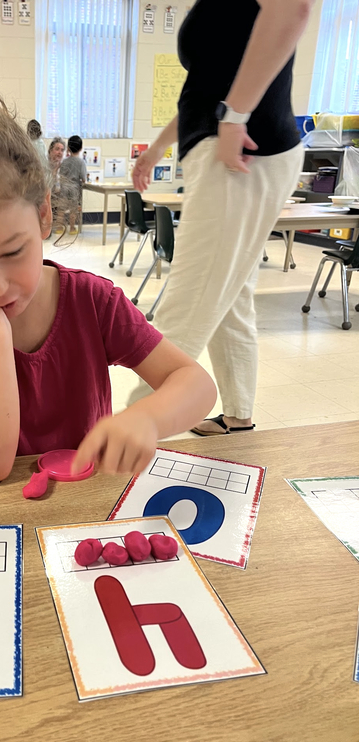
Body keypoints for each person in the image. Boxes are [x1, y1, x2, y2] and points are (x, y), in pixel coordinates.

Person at [0, 35, 216, 482]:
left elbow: (197, 384)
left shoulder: (92, 301)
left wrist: (147, 418)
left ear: (44, 214)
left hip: (82, 517)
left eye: (12, 252)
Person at [131, 0, 313, 435]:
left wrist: (235, 117)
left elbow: (293, 9)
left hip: (242, 152)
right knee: (229, 299)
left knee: (186, 305)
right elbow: (207, 89)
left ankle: (129, 440)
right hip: (228, 147)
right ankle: (238, 415)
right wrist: (156, 150)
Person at [59, 135, 87, 235]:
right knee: (73, 209)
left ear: (68, 148)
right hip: (74, 188)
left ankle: (59, 228)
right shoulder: (81, 162)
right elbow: (83, 178)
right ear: (81, 148)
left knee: (61, 208)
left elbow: (61, 174)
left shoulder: (64, 161)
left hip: (64, 187)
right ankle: (71, 229)